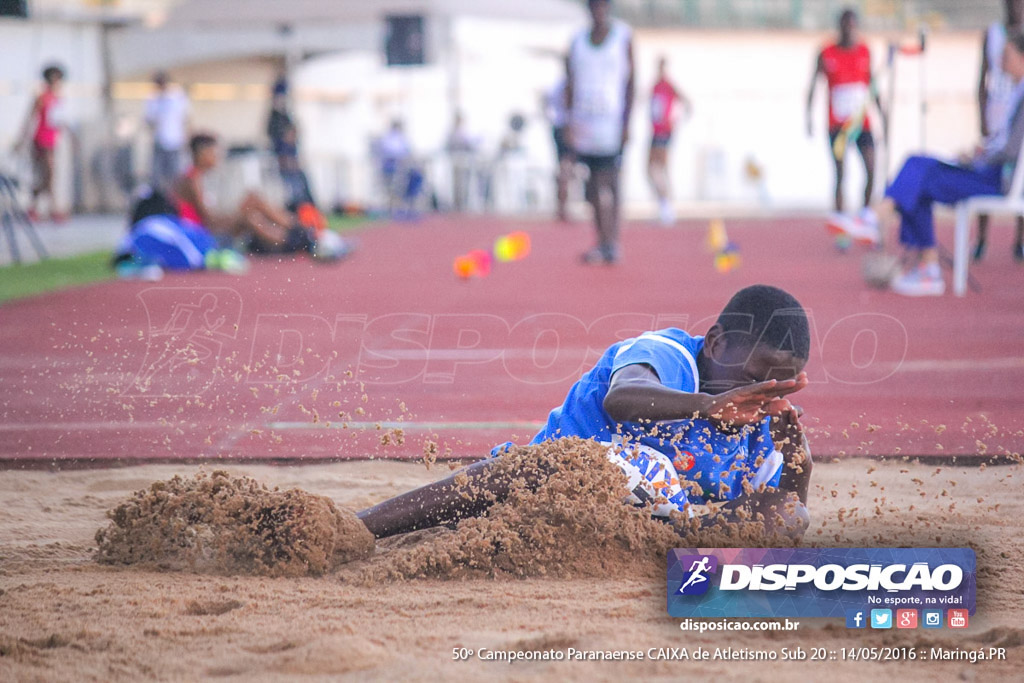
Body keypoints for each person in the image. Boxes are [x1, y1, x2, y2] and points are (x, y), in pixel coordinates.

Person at [355, 285, 813, 542]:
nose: (758, 394)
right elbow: (624, 395)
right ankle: (361, 527)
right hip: (541, 488)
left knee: (792, 512)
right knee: (625, 466)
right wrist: (708, 406)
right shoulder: (670, 355)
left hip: (640, 531)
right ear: (715, 343)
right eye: (752, 377)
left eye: (778, 387)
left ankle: (679, 553)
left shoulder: (760, 429)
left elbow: (776, 511)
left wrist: (799, 469)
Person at [837, 31, 1024, 296]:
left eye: (1007, 56)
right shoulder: (1017, 94)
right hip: (987, 169)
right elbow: (1005, 143)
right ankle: (925, 266)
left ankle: (877, 218)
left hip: (993, 177)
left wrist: (979, 156)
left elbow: (1012, 149)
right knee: (917, 170)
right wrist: (982, 149)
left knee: (917, 172)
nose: (1001, 62)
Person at [567, 0, 635, 265]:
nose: (599, 11)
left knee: (612, 182)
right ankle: (601, 239)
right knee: (592, 185)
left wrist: (627, 122)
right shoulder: (578, 41)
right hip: (586, 123)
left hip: (611, 123)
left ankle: (613, 241)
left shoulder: (622, 38)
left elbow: (631, 82)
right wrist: (570, 123)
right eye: (594, 6)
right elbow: (570, 82)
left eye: (603, 5)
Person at [806, 9, 883, 236]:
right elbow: (813, 85)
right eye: (845, 25)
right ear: (839, 26)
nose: (850, 30)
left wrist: (882, 114)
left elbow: (873, 84)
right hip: (837, 126)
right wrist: (808, 116)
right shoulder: (826, 52)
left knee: (871, 170)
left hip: (862, 123)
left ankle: (864, 218)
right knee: (841, 174)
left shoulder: (865, 51)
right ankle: (840, 225)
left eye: (853, 26)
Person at [170, 133, 293, 251]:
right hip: (201, 233)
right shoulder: (193, 180)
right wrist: (239, 213)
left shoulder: (200, 177)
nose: (218, 157)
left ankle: (293, 231)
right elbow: (209, 220)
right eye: (214, 153)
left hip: (208, 227)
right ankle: (289, 240)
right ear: (202, 154)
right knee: (249, 213)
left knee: (253, 200)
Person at [976, 0, 1024, 261]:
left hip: (1018, 121)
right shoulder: (993, 33)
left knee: (1018, 175)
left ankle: (1020, 241)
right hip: (996, 118)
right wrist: (981, 117)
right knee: (987, 167)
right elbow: (981, 80)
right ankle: (981, 239)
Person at [14, 64, 66, 223]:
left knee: (46, 177)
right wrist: (21, 140)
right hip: (41, 140)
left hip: (52, 140)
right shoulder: (42, 97)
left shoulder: (58, 98)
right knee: (48, 174)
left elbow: (59, 121)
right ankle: (54, 209)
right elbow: (30, 118)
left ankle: (33, 207)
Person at [648, 56, 691, 226]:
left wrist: (676, 121)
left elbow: (686, 102)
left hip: (664, 132)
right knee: (652, 169)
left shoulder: (668, 84)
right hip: (656, 131)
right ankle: (663, 204)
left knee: (659, 168)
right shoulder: (655, 85)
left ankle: (666, 207)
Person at [145, 71, 190, 191]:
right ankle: (158, 197)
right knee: (157, 173)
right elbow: (149, 120)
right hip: (159, 140)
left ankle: (174, 197)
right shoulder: (153, 99)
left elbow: (186, 118)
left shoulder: (177, 96)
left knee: (174, 172)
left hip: (175, 140)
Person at [543, 70, 572, 222]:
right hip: (567, 128)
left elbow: (545, 101)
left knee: (563, 166)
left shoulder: (556, 85)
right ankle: (562, 205)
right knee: (565, 167)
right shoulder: (568, 84)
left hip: (558, 126)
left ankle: (561, 205)